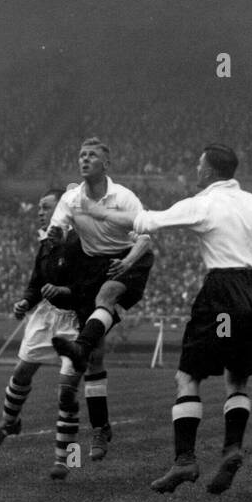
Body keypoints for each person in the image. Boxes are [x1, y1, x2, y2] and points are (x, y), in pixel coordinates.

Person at [81, 143, 252, 495]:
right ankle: (232, 448)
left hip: (224, 293)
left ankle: (185, 460)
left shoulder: (203, 202)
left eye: (199, 164)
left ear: (209, 171)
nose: (196, 168)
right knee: (237, 378)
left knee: (188, 375)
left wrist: (97, 212)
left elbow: (146, 222)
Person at [0, 188, 110, 479]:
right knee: (21, 372)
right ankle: (9, 423)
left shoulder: (83, 242)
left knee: (66, 391)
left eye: (45, 207)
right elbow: (36, 283)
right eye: (39, 207)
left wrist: (65, 291)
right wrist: (25, 302)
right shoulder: (47, 244)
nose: (40, 212)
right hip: (46, 316)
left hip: (76, 320)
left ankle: (64, 460)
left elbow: (91, 286)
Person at [49, 137, 154, 462]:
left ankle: (79, 346)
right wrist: (54, 239)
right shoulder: (70, 199)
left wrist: (128, 262)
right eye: (81, 155)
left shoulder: (123, 197)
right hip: (90, 268)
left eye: (92, 155)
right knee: (95, 357)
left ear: (106, 164)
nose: (85, 159)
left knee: (108, 295)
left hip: (128, 260)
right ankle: (101, 428)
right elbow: (55, 232)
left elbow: (146, 237)